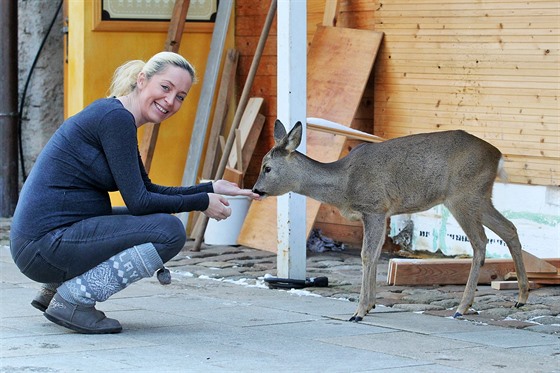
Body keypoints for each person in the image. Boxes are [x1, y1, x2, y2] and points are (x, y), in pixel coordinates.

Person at [10, 51, 260, 334]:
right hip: (44, 246)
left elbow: (146, 190)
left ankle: (54, 291)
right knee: (169, 231)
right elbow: (140, 202)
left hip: (44, 243)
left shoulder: (115, 116)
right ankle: (74, 300)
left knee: (158, 221)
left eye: (180, 96)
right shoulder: (115, 119)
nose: (170, 101)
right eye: (165, 88)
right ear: (142, 80)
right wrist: (203, 202)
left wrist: (210, 187)